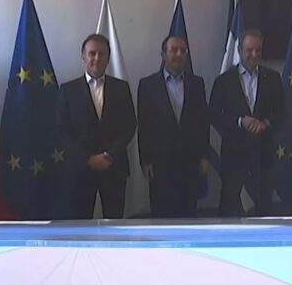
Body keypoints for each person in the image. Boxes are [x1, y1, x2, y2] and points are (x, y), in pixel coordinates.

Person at [57, 33, 137, 219]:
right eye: (92, 53)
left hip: (114, 166)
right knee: (80, 224)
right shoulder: (67, 90)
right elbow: (62, 130)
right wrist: (88, 158)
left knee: (114, 223)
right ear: (83, 57)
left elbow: (129, 125)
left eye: (102, 54)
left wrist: (109, 154)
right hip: (80, 169)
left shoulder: (121, 88)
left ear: (108, 58)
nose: (97, 58)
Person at [210, 30, 284, 217]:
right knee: (230, 207)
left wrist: (266, 123)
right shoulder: (224, 81)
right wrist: (239, 121)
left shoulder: (273, 78)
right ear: (239, 50)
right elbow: (213, 115)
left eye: (258, 50)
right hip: (234, 157)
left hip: (264, 156)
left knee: (263, 208)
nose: (254, 55)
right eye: (249, 50)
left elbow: (282, 113)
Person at [136, 34, 209, 218]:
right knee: (161, 215)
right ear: (163, 54)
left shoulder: (197, 83)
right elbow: (144, 125)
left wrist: (204, 156)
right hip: (160, 163)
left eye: (183, 51)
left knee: (189, 214)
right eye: (173, 50)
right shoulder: (147, 85)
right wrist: (145, 160)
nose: (178, 54)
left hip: (190, 162)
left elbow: (202, 122)